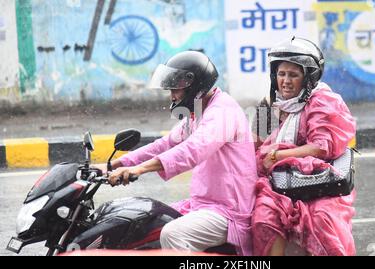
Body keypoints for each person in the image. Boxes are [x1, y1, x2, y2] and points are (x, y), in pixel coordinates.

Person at [102, 51, 257, 256]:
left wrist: (139, 169)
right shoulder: (199, 111)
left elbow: (192, 150)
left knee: (173, 234)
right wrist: (115, 165)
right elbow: (165, 145)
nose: (172, 96)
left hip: (228, 211)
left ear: (194, 87)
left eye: (176, 89)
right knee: (145, 221)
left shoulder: (222, 112)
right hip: (202, 205)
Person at [251, 37, 357, 256]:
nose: (286, 81)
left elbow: (321, 148)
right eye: (281, 74)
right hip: (277, 184)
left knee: (320, 219)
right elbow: (253, 143)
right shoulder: (269, 103)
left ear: (308, 78)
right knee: (264, 218)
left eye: (293, 75)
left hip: (318, 184)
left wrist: (280, 154)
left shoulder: (323, 101)